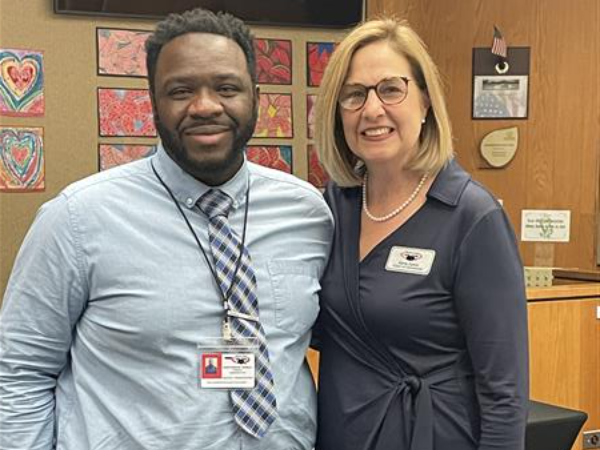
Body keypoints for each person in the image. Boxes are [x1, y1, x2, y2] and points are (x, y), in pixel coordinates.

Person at [0, 8, 333, 450]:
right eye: (181, 91)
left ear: (255, 96)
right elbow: (19, 370)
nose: (205, 106)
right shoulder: (76, 219)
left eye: (226, 87)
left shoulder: (308, 213)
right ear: (153, 102)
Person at [313, 18, 529, 450]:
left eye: (391, 89)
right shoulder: (333, 207)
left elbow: (505, 395)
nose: (372, 110)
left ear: (426, 100)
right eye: (354, 94)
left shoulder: (471, 217)